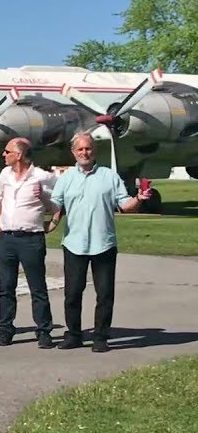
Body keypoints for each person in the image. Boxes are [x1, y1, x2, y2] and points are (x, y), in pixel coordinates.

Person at [47, 133, 143, 352]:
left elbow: (125, 205)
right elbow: (55, 206)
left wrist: (139, 198)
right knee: (72, 293)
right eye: (80, 149)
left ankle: (101, 337)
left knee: (105, 294)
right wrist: (42, 206)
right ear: (73, 153)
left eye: (88, 149)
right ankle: (74, 335)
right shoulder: (66, 178)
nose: (84, 153)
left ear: (94, 151)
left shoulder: (109, 176)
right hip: (74, 244)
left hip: (104, 244)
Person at [0, 137, 57, 348]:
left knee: (37, 287)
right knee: (6, 286)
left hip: (31, 239)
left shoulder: (42, 177)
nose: (3, 154)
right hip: (7, 239)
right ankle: (5, 329)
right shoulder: (5, 174)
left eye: (7, 151)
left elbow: (59, 201)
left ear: (18, 155)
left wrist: (53, 221)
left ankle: (44, 331)